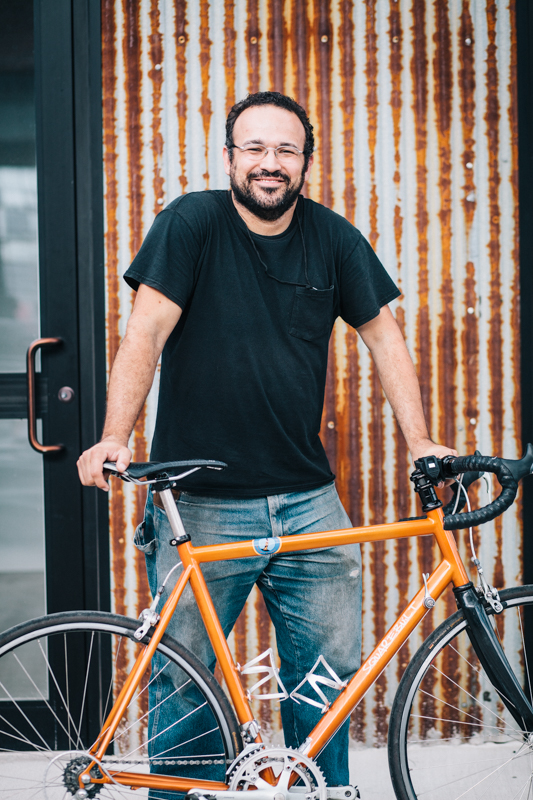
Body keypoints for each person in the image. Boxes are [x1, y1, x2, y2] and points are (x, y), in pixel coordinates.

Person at [78, 91, 456, 793]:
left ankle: (317, 788)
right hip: (202, 501)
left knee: (327, 679)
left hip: (308, 500)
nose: (269, 163)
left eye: (285, 149)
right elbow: (145, 334)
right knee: (186, 679)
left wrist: (420, 441)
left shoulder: (333, 238)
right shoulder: (190, 224)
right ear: (229, 158)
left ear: (305, 162)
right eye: (253, 148)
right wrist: (112, 437)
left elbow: (384, 340)